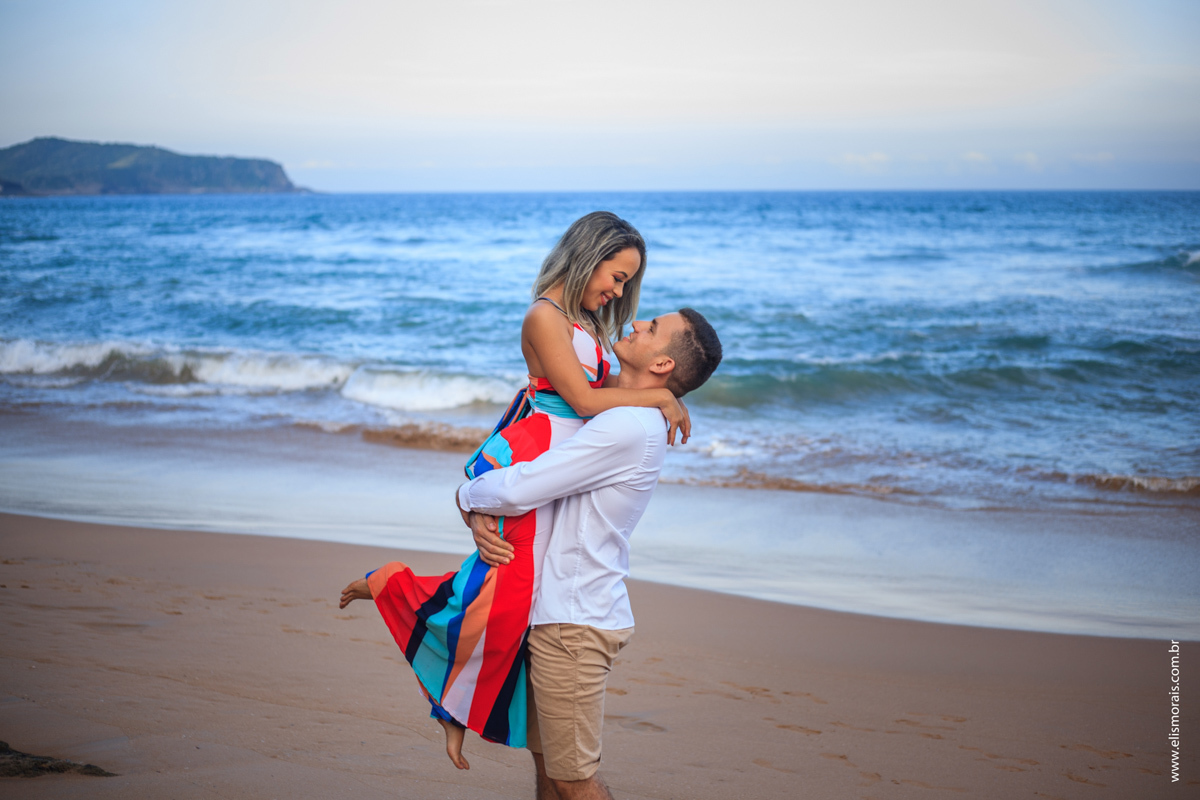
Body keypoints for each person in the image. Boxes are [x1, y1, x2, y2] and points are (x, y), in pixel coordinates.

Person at [339, 212, 689, 769]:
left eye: (626, 282)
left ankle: (458, 709)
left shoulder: (584, 322)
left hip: (555, 464)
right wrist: (661, 399)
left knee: (511, 594)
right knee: (503, 588)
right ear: (586, 255)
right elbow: (583, 402)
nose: (619, 291)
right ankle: (399, 606)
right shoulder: (544, 317)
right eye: (616, 277)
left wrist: (657, 390)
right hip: (535, 453)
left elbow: (600, 400)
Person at [462, 307, 722, 799]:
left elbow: (524, 488)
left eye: (651, 329)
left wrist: (466, 495)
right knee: (549, 770)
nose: (636, 324)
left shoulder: (626, 426)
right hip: (559, 612)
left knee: (572, 779)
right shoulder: (619, 414)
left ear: (663, 365)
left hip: (574, 624)